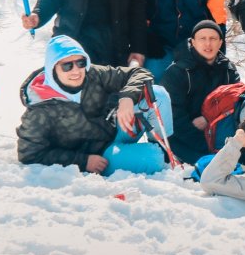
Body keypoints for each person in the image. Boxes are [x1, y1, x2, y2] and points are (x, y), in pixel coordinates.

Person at [17, 35, 172, 176]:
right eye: (67, 66)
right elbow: (29, 154)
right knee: (154, 160)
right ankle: (151, 157)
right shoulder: (39, 109)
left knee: (158, 95)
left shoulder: (93, 74)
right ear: (52, 69)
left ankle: (165, 149)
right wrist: (82, 161)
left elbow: (140, 73)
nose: (76, 70)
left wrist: (127, 97)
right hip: (101, 155)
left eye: (80, 62)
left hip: (118, 127)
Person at [159, 20, 241, 164]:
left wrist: (208, 117)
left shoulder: (228, 70)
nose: (208, 44)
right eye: (202, 39)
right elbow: (173, 118)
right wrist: (205, 145)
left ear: (221, 43)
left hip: (218, 134)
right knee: (212, 165)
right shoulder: (177, 72)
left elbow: (236, 103)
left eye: (213, 39)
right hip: (183, 138)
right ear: (193, 42)